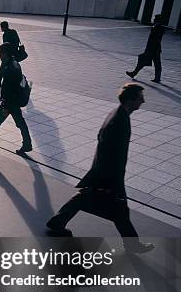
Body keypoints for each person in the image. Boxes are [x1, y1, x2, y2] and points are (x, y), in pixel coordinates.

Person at [46, 83, 155, 254]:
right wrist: (114, 179)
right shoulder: (120, 120)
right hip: (108, 173)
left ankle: (57, 222)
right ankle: (133, 244)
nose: (143, 101)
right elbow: (116, 153)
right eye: (140, 98)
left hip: (102, 170)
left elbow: (101, 138)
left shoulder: (117, 113)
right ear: (130, 100)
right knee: (118, 207)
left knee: (90, 200)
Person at [126, 14, 166, 83]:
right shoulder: (159, 27)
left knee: (144, 60)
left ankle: (134, 73)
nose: (153, 19)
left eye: (154, 18)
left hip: (152, 49)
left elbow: (153, 40)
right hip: (155, 49)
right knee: (153, 63)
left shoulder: (157, 27)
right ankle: (157, 78)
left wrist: (149, 49)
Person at [0, 21, 21, 87]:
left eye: (1, 27)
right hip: (15, 54)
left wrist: (2, 53)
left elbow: (6, 46)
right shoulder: (14, 31)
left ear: (3, 27)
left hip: (8, 55)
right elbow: (18, 42)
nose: (1, 29)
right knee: (12, 68)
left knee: (2, 68)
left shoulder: (5, 34)